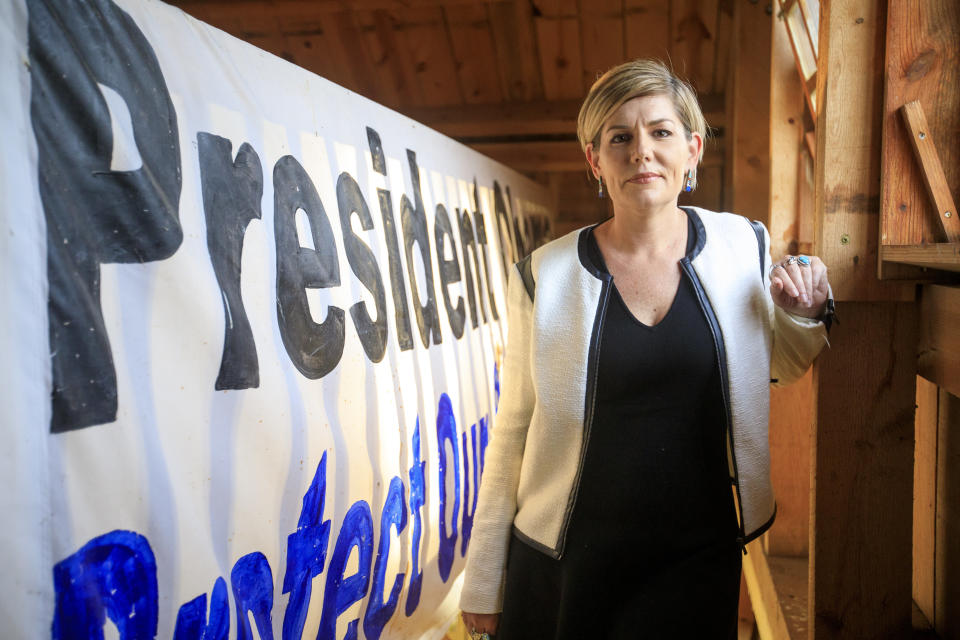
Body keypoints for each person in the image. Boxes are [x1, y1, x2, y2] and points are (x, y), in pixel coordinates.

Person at [458, 58, 833, 639]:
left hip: (696, 557)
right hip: (566, 561)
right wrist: (485, 579)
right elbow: (513, 429)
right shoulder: (543, 275)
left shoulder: (742, 247)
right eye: (619, 137)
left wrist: (803, 316)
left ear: (692, 148)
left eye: (660, 131)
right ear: (594, 159)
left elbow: (779, 368)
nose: (641, 151)